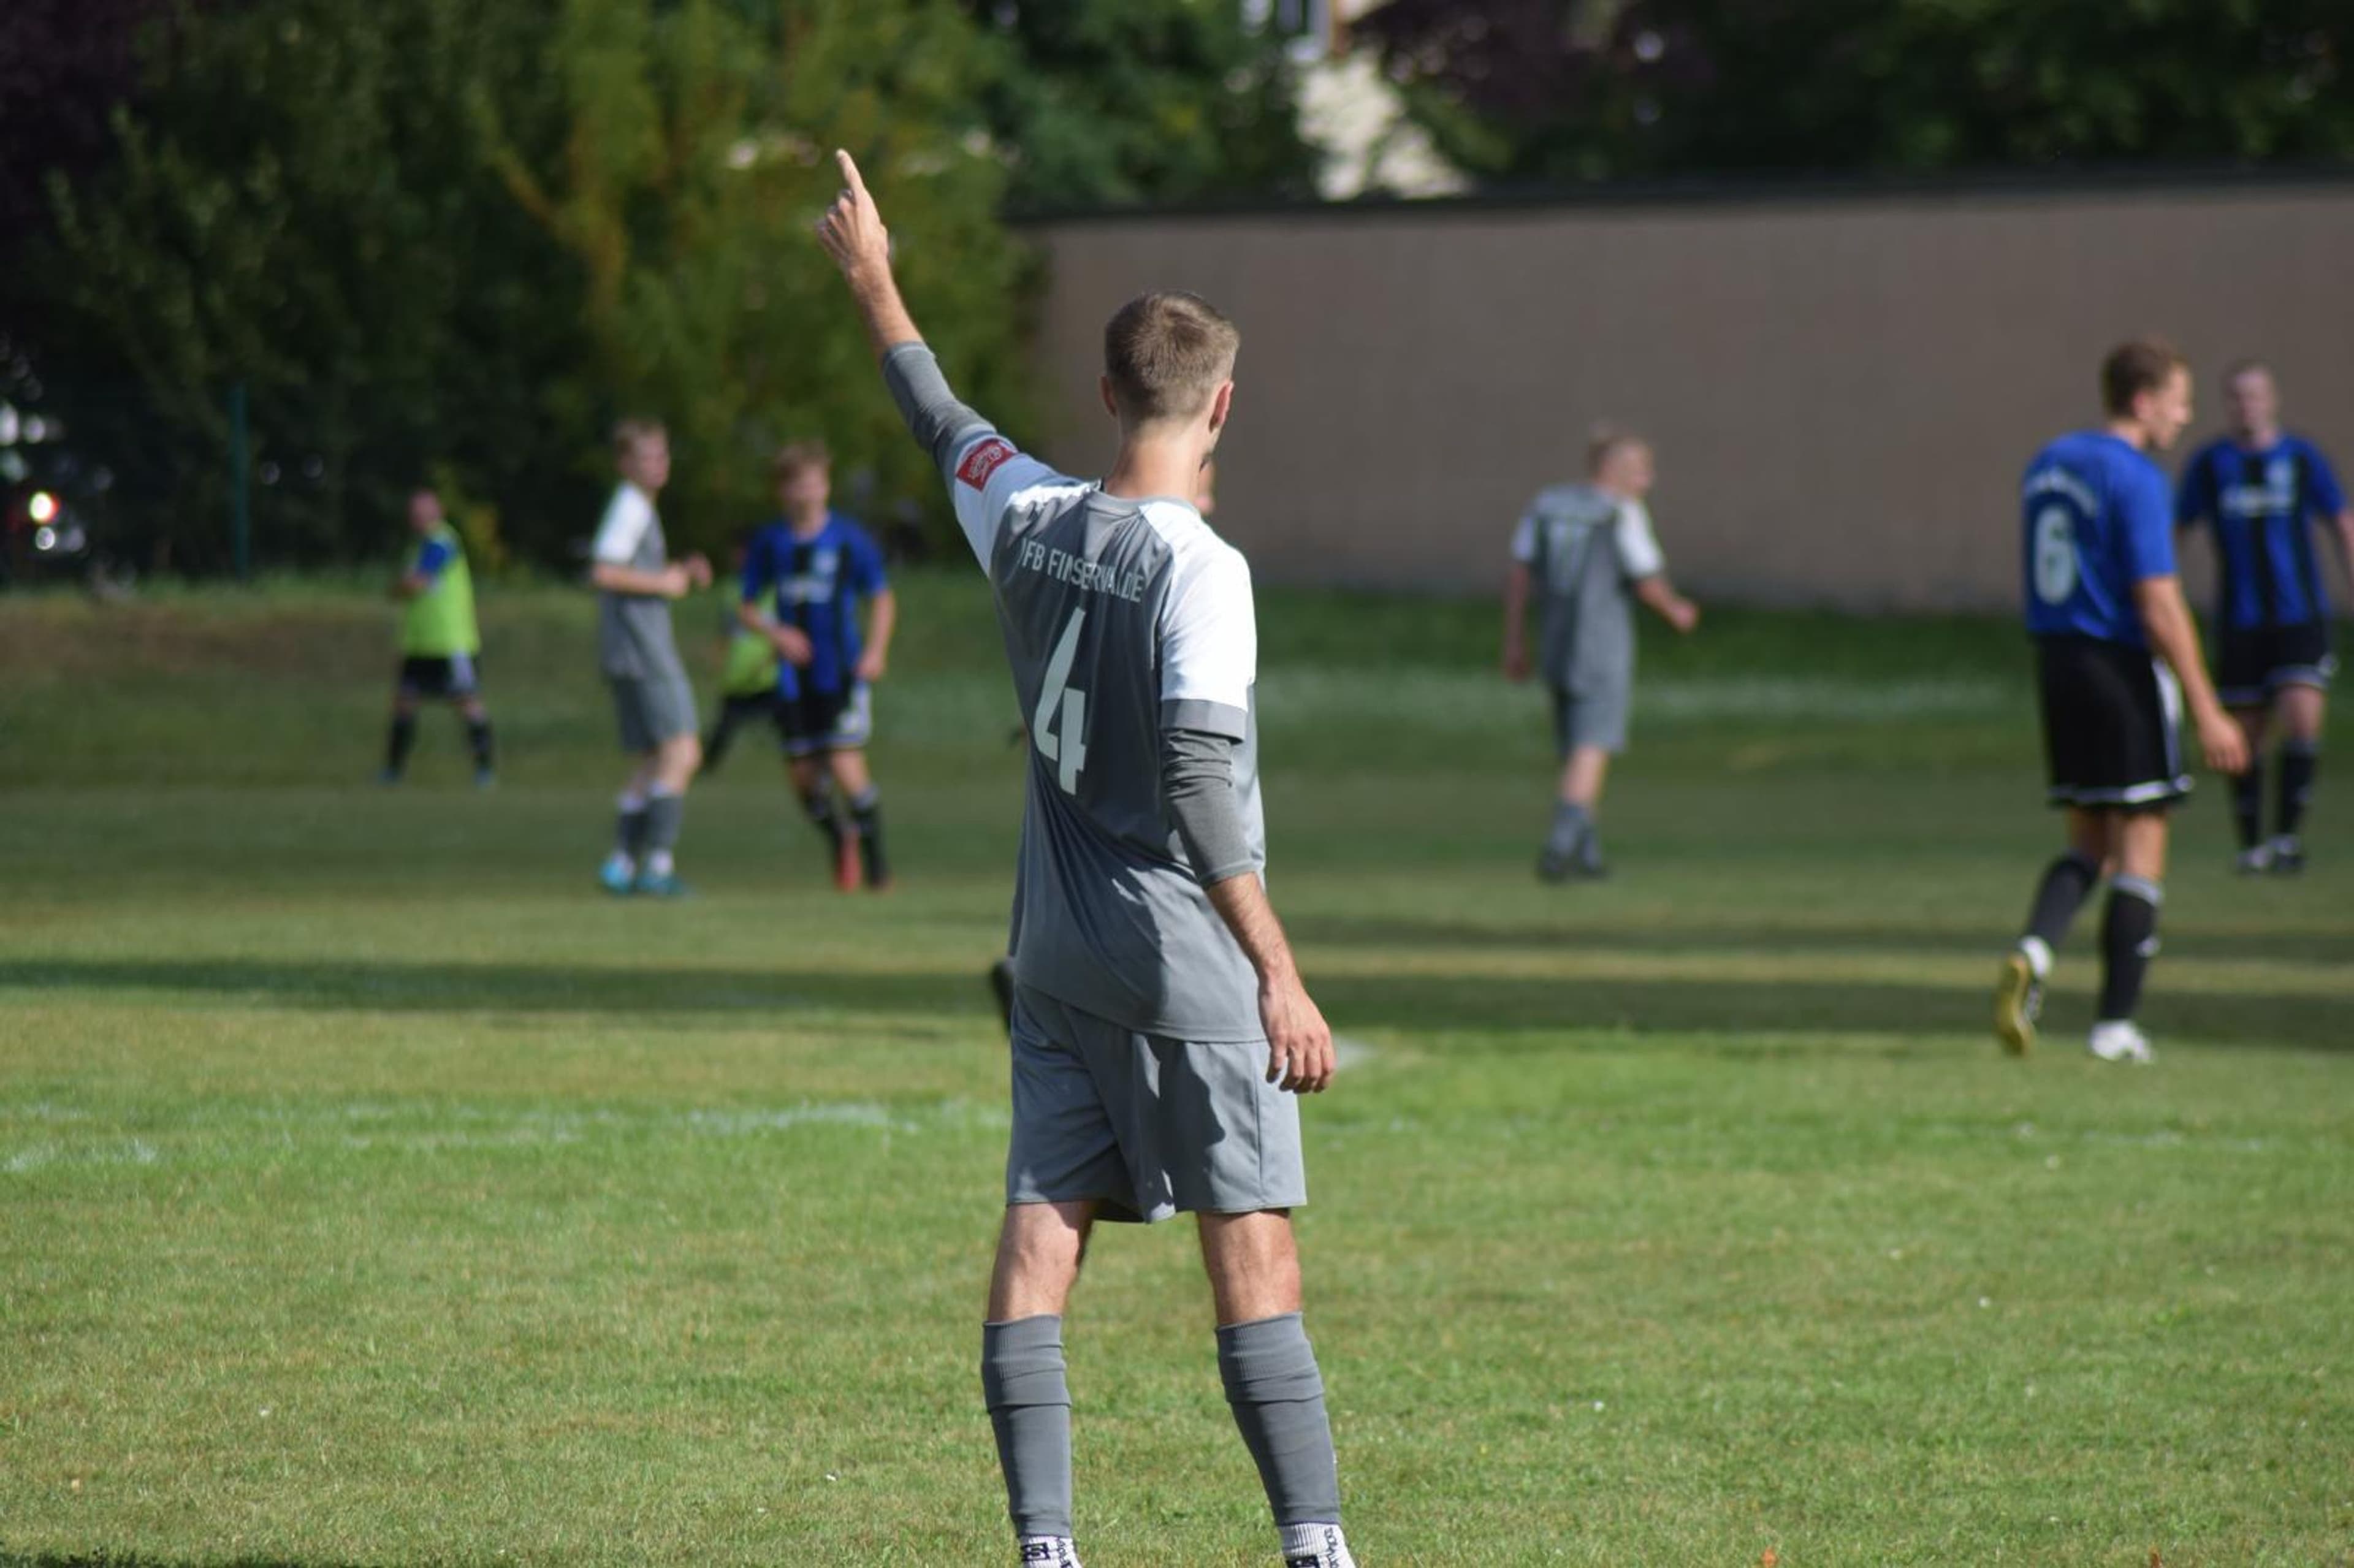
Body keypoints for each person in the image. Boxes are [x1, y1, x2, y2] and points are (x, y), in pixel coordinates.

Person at [817, 151, 1360, 1568]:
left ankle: (1045, 1549)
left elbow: (940, 420)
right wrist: (1280, 975)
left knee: (1039, 1237)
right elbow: (1196, 780)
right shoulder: (1203, 568)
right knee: (1252, 1252)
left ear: (1108, 394)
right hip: (1178, 960)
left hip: (1049, 948)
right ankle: (1315, 1547)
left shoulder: (1030, 513)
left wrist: (873, 274)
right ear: (1220, 405)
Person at [1995, 340, 2249, 1064]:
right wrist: (2207, 706)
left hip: (2057, 665)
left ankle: (2035, 951)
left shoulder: (2048, 463)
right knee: (2141, 846)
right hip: (2118, 670)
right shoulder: (2135, 476)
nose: (2185, 414)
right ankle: (2114, 1026)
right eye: (2178, 398)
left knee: (2087, 842)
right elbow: (2158, 601)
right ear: (2143, 400)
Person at [2174, 360, 2354, 874]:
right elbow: (2177, 532)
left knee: (2301, 718)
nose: (2246, 405)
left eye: (2255, 396)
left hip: (2299, 616)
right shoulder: (2211, 464)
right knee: (2245, 737)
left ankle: (2287, 838)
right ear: (2227, 404)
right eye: (2236, 396)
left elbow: (2341, 522)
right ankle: (2251, 843)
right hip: (2240, 620)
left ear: (2272, 400)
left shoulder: (2301, 458)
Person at [1501, 427, 1698, 880]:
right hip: (1600, 643)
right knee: (1594, 743)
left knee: (1574, 744)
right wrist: (1676, 610)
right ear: (1612, 468)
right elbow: (1646, 575)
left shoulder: (1548, 505)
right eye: (1639, 470)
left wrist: (1514, 639)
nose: (1646, 481)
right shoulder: (1619, 512)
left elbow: (1519, 574)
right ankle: (1561, 843)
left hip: (1554, 638)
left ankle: (1586, 854)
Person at [738, 440, 898, 891]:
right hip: (793, 680)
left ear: (826, 486)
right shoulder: (772, 542)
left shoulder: (848, 539)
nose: (807, 492)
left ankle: (879, 873)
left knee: (847, 765)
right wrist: (779, 634)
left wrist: (876, 650)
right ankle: (841, 837)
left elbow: (882, 597)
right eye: (797, 484)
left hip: (840, 672)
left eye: (815, 482)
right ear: (783, 491)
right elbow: (747, 607)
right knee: (804, 781)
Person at [591, 419, 710, 898]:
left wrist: (676, 570)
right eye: (645, 457)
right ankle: (657, 865)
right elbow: (605, 571)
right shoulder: (631, 506)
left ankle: (620, 864)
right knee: (683, 751)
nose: (657, 465)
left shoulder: (636, 507)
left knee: (652, 759)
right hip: (644, 651)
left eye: (661, 455)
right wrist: (664, 583)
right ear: (625, 464)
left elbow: (629, 569)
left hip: (627, 651)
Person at [381, 485, 495, 788]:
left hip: (450, 641)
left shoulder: (442, 542)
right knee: (404, 703)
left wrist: (402, 586)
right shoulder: (418, 547)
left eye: (425, 511)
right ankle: (393, 771)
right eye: (415, 513)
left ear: (438, 512)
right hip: (420, 643)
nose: (419, 518)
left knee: (467, 702)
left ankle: (485, 771)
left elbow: (415, 583)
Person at [699, 532, 784, 776]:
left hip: (768, 677)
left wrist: (775, 655)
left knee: (792, 727)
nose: (738, 558)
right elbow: (726, 630)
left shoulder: (775, 589)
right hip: (738, 677)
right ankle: (705, 771)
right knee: (723, 729)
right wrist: (718, 655)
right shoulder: (732, 589)